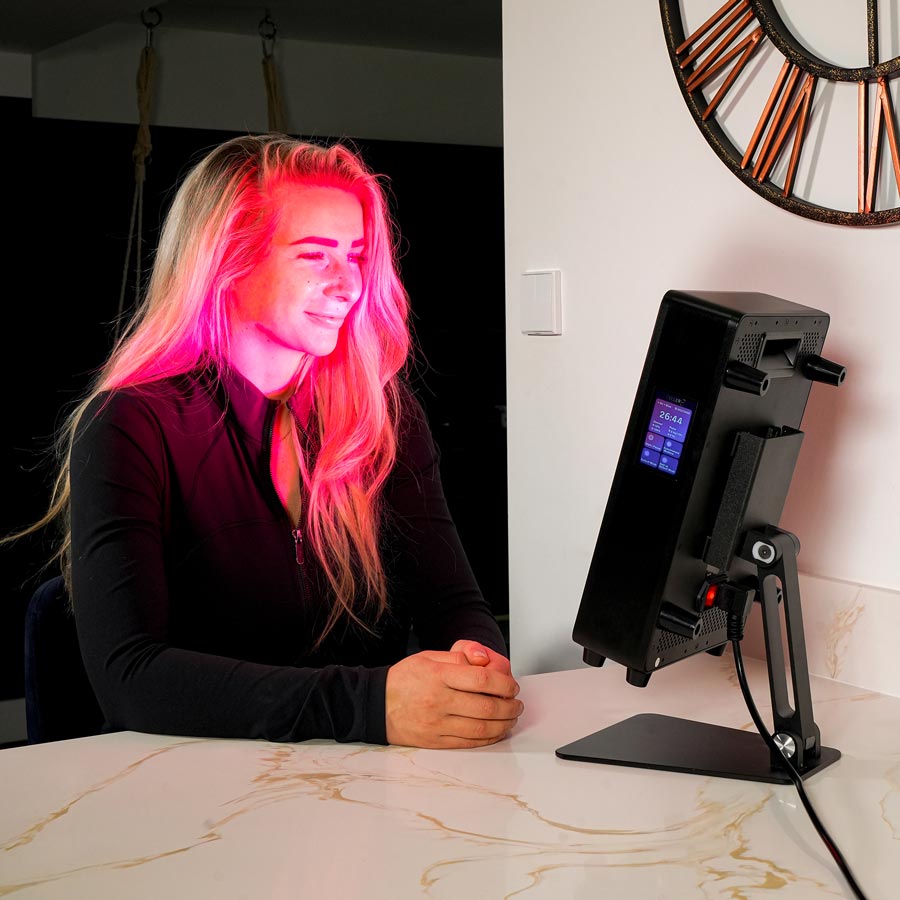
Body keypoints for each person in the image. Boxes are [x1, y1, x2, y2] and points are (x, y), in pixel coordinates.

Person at [25, 134, 522, 749]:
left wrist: (476, 667)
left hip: (361, 784)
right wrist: (369, 705)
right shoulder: (130, 423)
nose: (349, 285)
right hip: (190, 792)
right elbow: (131, 678)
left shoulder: (385, 417)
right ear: (228, 263)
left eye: (358, 256)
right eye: (316, 256)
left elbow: (453, 604)